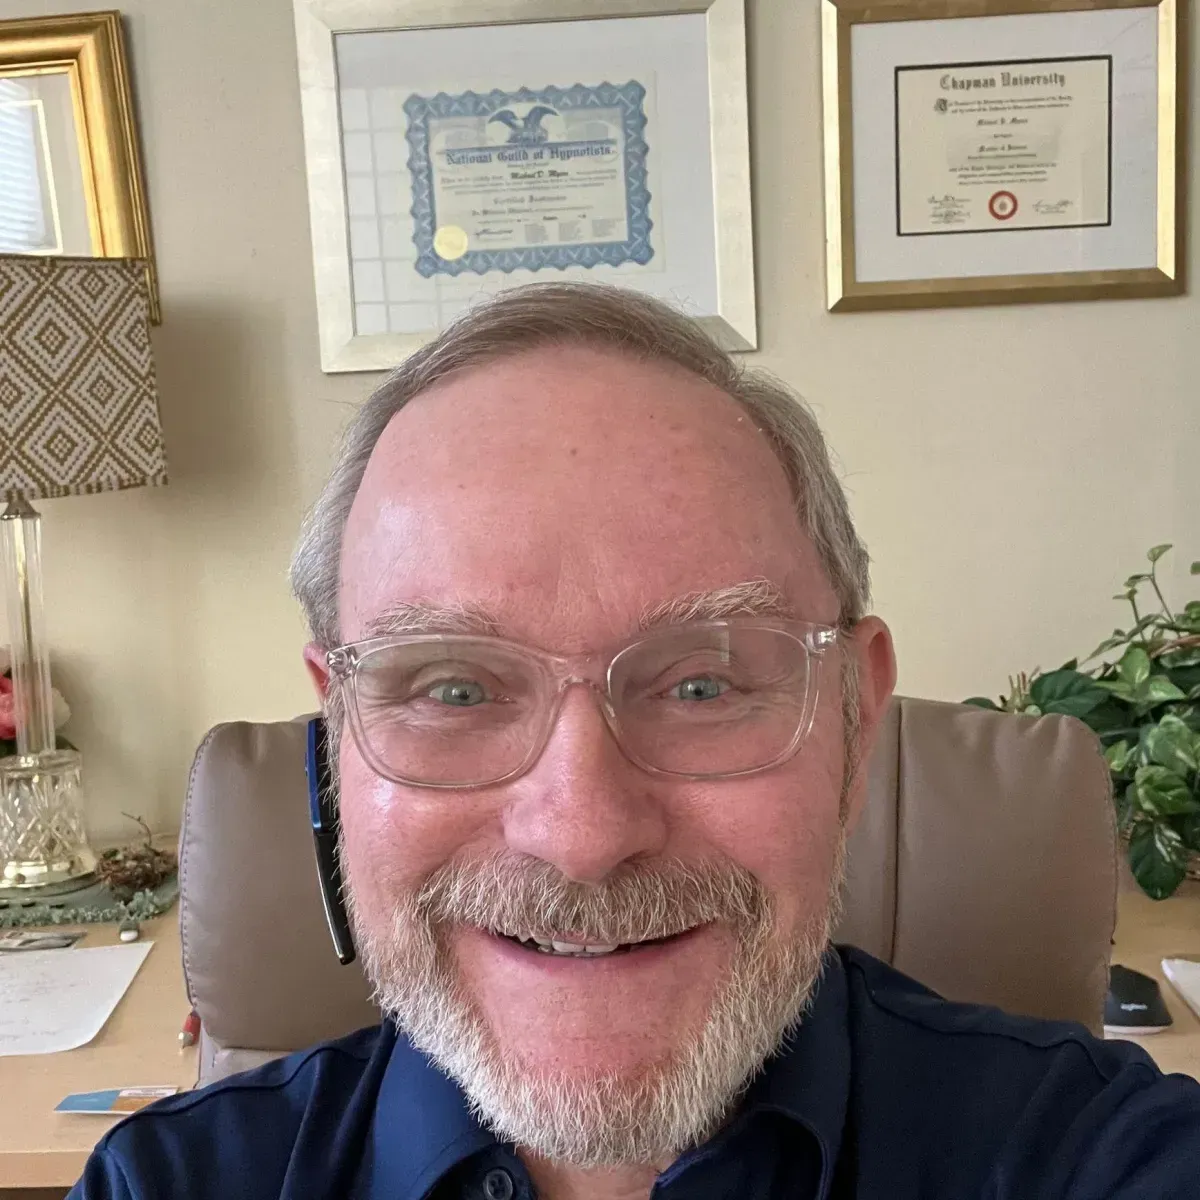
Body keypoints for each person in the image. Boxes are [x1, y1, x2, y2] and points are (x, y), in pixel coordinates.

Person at [71, 283, 1200, 1200]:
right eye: (454, 688)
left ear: (855, 725)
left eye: (702, 683)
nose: (582, 834)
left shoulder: (1105, 1160)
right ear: (337, 736)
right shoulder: (165, 1184)